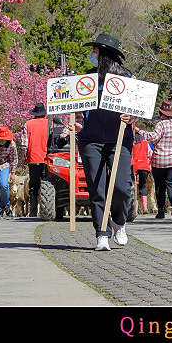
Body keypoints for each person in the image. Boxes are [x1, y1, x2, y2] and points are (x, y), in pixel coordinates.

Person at [68, 33, 135, 251]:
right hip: (91, 140)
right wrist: (76, 124)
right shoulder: (87, 79)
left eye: (95, 52)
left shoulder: (128, 78)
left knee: (122, 187)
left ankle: (119, 221)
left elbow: (136, 106)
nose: (92, 56)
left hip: (120, 139)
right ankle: (101, 232)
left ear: (104, 55)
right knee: (97, 188)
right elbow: (77, 109)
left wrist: (131, 117)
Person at [135, 100, 172, 219]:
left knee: (160, 186)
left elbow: (153, 137)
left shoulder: (160, 125)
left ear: (162, 114)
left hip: (160, 160)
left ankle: (161, 210)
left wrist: (139, 131)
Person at [21, 102, 49, 217]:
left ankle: (33, 211)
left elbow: (24, 145)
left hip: (33, 158)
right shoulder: (50, 123)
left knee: (33, 186)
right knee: (48, 185)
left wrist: (23, 159)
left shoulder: (28, 124)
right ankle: (47, 211)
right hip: (48, 158)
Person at [131, 125, 152, 215]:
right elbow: (150, 154)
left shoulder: (133, 143)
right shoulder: (146, 143)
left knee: (134, 187)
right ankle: (145, 207)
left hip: (135, 166)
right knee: (143, 186)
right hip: (144, 166)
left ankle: (135, 209)